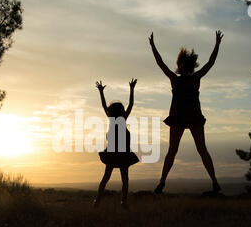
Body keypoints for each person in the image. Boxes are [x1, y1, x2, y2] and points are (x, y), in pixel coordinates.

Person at [149, 30, 224, 194]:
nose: (182, 66)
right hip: (181, 117)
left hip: (190, 117)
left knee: (200, 150)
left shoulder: (185, 79)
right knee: (175, 151)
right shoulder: (181, 79)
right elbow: (160, 63)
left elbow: (210, 63)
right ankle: (162, 182)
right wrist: (153, 46)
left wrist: (217, 45)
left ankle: (214, 182)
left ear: (184, 65)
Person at [93, 79, 139, 209]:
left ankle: (97, 201)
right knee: (124, 179)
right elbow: (131, 104)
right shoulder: (122, 119)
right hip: (122, 154)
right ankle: (123, 202)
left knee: (106, 178)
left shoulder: (112, 119)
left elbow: (104, 105)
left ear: (112, 111)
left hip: (114, 153)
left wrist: (101, 92)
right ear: (122, 111)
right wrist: (131, 89)